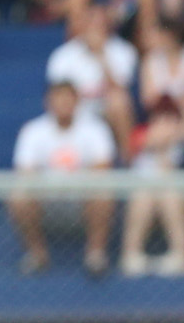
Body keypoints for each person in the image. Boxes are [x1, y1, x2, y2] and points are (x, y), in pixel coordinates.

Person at [9, 79, 118, 274]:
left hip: (84, 197)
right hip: (47, 199)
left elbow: (102, 168)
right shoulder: (32, 131)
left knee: (103, 192)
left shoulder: (96, 129)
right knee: (19, 197)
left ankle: (95, 255)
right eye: (57, 99)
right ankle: (37, 254)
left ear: (77, 101)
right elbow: (25, 173)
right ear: (48, 102)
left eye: (67, 99)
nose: (62, 104)